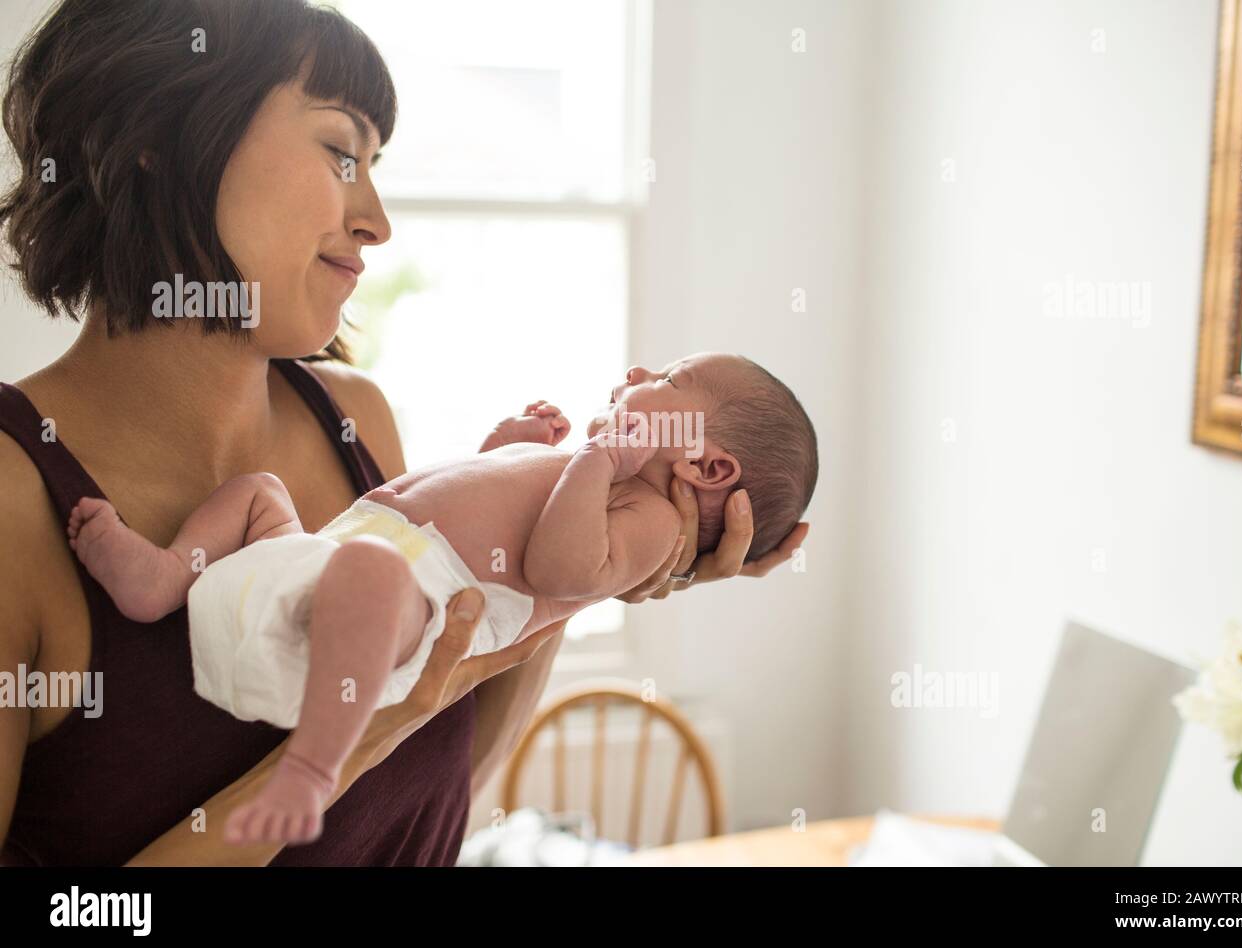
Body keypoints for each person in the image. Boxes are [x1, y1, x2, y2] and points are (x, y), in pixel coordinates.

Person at [0, 0, 808, 865]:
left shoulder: (354, 418)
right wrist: (332, 754)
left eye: (375, 166)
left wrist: (595, 571)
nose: (377, 220)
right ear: (153, 131)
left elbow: (433, 788)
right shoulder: (15, 499)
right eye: (341, 152)